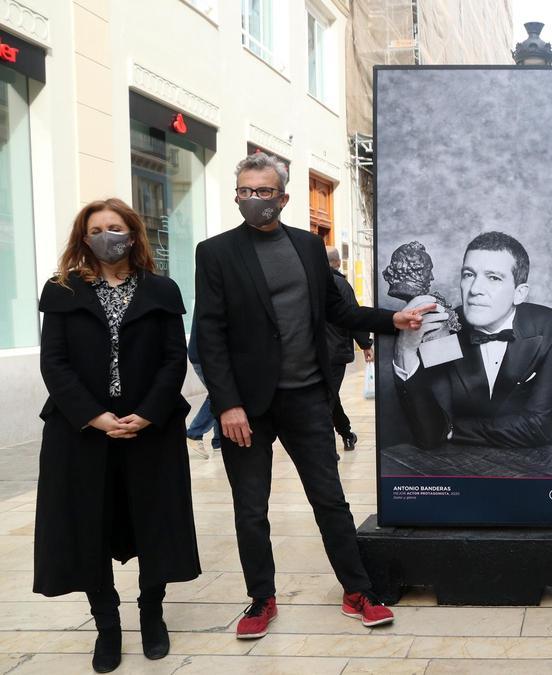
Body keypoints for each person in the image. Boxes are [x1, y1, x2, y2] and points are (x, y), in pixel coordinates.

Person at [194, 153, 433, 639]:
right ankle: (261, 599)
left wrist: (391, 320)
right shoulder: (215, 252)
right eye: (245, 191)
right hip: (248, 408)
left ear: (283, 197)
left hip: (306, 397)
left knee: (330, 499)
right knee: (250, 507)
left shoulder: (307, 246)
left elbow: (337, 310)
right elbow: (211, 335)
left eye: (263, 192)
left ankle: (358, 591)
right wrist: (226, 404)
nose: (252, 199)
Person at [34, 198, 201, 673]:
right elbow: (55, 363)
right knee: (88, 524)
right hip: (80, 430)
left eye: (116, 226)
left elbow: (174, 358)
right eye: (96, 229)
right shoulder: (62, 290)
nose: (107, 235)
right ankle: (106, 625)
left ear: (132, 232)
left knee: (154, 520)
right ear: (83, 238)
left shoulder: (162, 290)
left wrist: (148, 413)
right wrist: (94, 416)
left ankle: (152, 614)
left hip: (151, 427)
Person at [392, 231, 552, 451]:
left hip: (533, 463)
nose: (475, 290)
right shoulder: (444, 327)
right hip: (460, 464)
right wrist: (406, 351)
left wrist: (455, 429)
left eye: (494, 277)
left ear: (519, 293)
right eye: (469, 274)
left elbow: (537, 427)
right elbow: (432, 433)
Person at [324, 246, 373, 451]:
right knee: (328, 397)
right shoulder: (342, 284)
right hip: (335, 352)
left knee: (326, 398)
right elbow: (353, 316)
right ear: (337, 263)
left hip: (320, 352)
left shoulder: (317, 282)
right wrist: (366, 344)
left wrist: (365, 344)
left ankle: (330, 447)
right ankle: (345, 434)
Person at [185, 317, 221, 458]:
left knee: (220, 393)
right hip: (205, 355)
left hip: (205, 354)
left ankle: (219, 442)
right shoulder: (209, 296)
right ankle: (194, 433)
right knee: (219, 394)